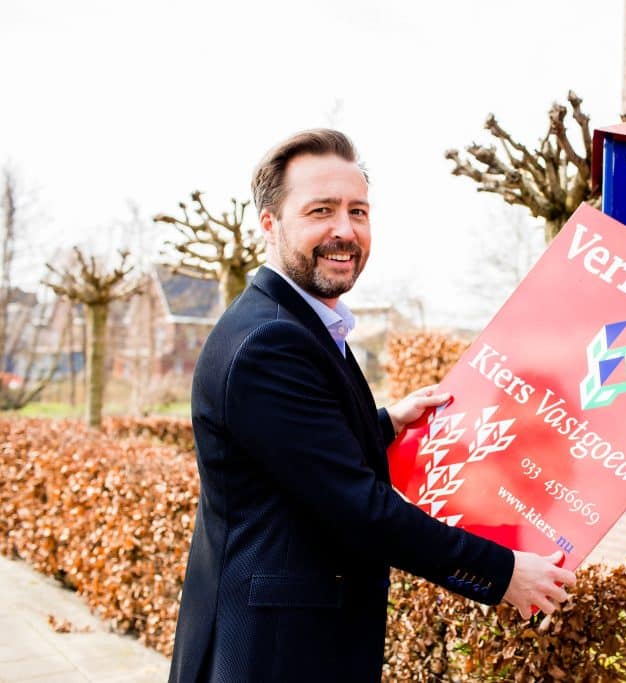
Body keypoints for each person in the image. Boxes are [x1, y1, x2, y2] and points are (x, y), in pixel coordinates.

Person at [168, 129, 575, 682]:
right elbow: (359, 510)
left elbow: (295, 453)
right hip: (274, 656)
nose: (345, 229)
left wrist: (384, 423)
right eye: (321, 210)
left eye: (358, 211)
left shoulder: (292, 322)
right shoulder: (271, 342)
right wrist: (502, 572)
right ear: (269, 223)